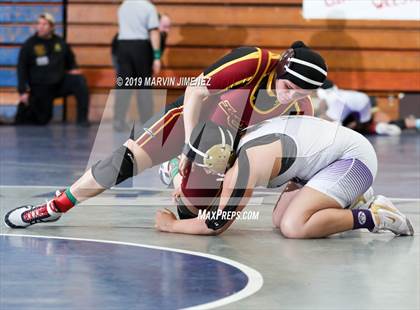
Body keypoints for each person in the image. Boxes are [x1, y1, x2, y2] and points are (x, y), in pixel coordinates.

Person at [4, 41, 328, 229]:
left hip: (221, 146)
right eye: (288, 87)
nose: (291, 97)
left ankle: (178, 172)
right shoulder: (254, 62)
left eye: (302, 93)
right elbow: (196, 93)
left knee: (195, 216)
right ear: (279, 71)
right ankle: (55, 206)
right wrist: (187, 149)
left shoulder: (300, 110)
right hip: (191, 118)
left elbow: (288, 164)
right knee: (123, 163)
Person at [154, 117, 414, 238]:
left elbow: (215, 226)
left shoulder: (245, 164)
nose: (206, 174)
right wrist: (179, 178)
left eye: (205, 168)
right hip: (324, 162)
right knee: (279, 220)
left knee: (295, 226)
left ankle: (377, 216)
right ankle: (351, 198)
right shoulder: (233, 142)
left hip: (354, 160)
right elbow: (184, 166)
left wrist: (171, 226)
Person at [15, 13, 90, 126]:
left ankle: (82, 120)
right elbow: (21, 68)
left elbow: (71, 61)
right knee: (41, 121)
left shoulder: (60, 42)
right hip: (40, 87)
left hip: (59, 84)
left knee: (79, 81)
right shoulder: (29, 44)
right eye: (39, 24)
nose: (40, 26)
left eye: (44, 24)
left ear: (52, 27)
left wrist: (74, 69)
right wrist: (22, 91)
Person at [113, 0, 162, 131]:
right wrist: (157, 56)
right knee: (144, 84)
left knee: (123, 84)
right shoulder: (149, 7)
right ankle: (147, 122)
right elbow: (154, 32)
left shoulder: (123, 6)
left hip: (122, 46)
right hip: (141, 47)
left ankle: (118, 120)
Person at [316, 79, 420, 135]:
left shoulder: (326, 97)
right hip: (364, 99)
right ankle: (414, 122)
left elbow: (328, 121)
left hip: (347, 106)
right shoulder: (336, 92)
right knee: (364, 124)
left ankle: (376, 128)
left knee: (337, 128)